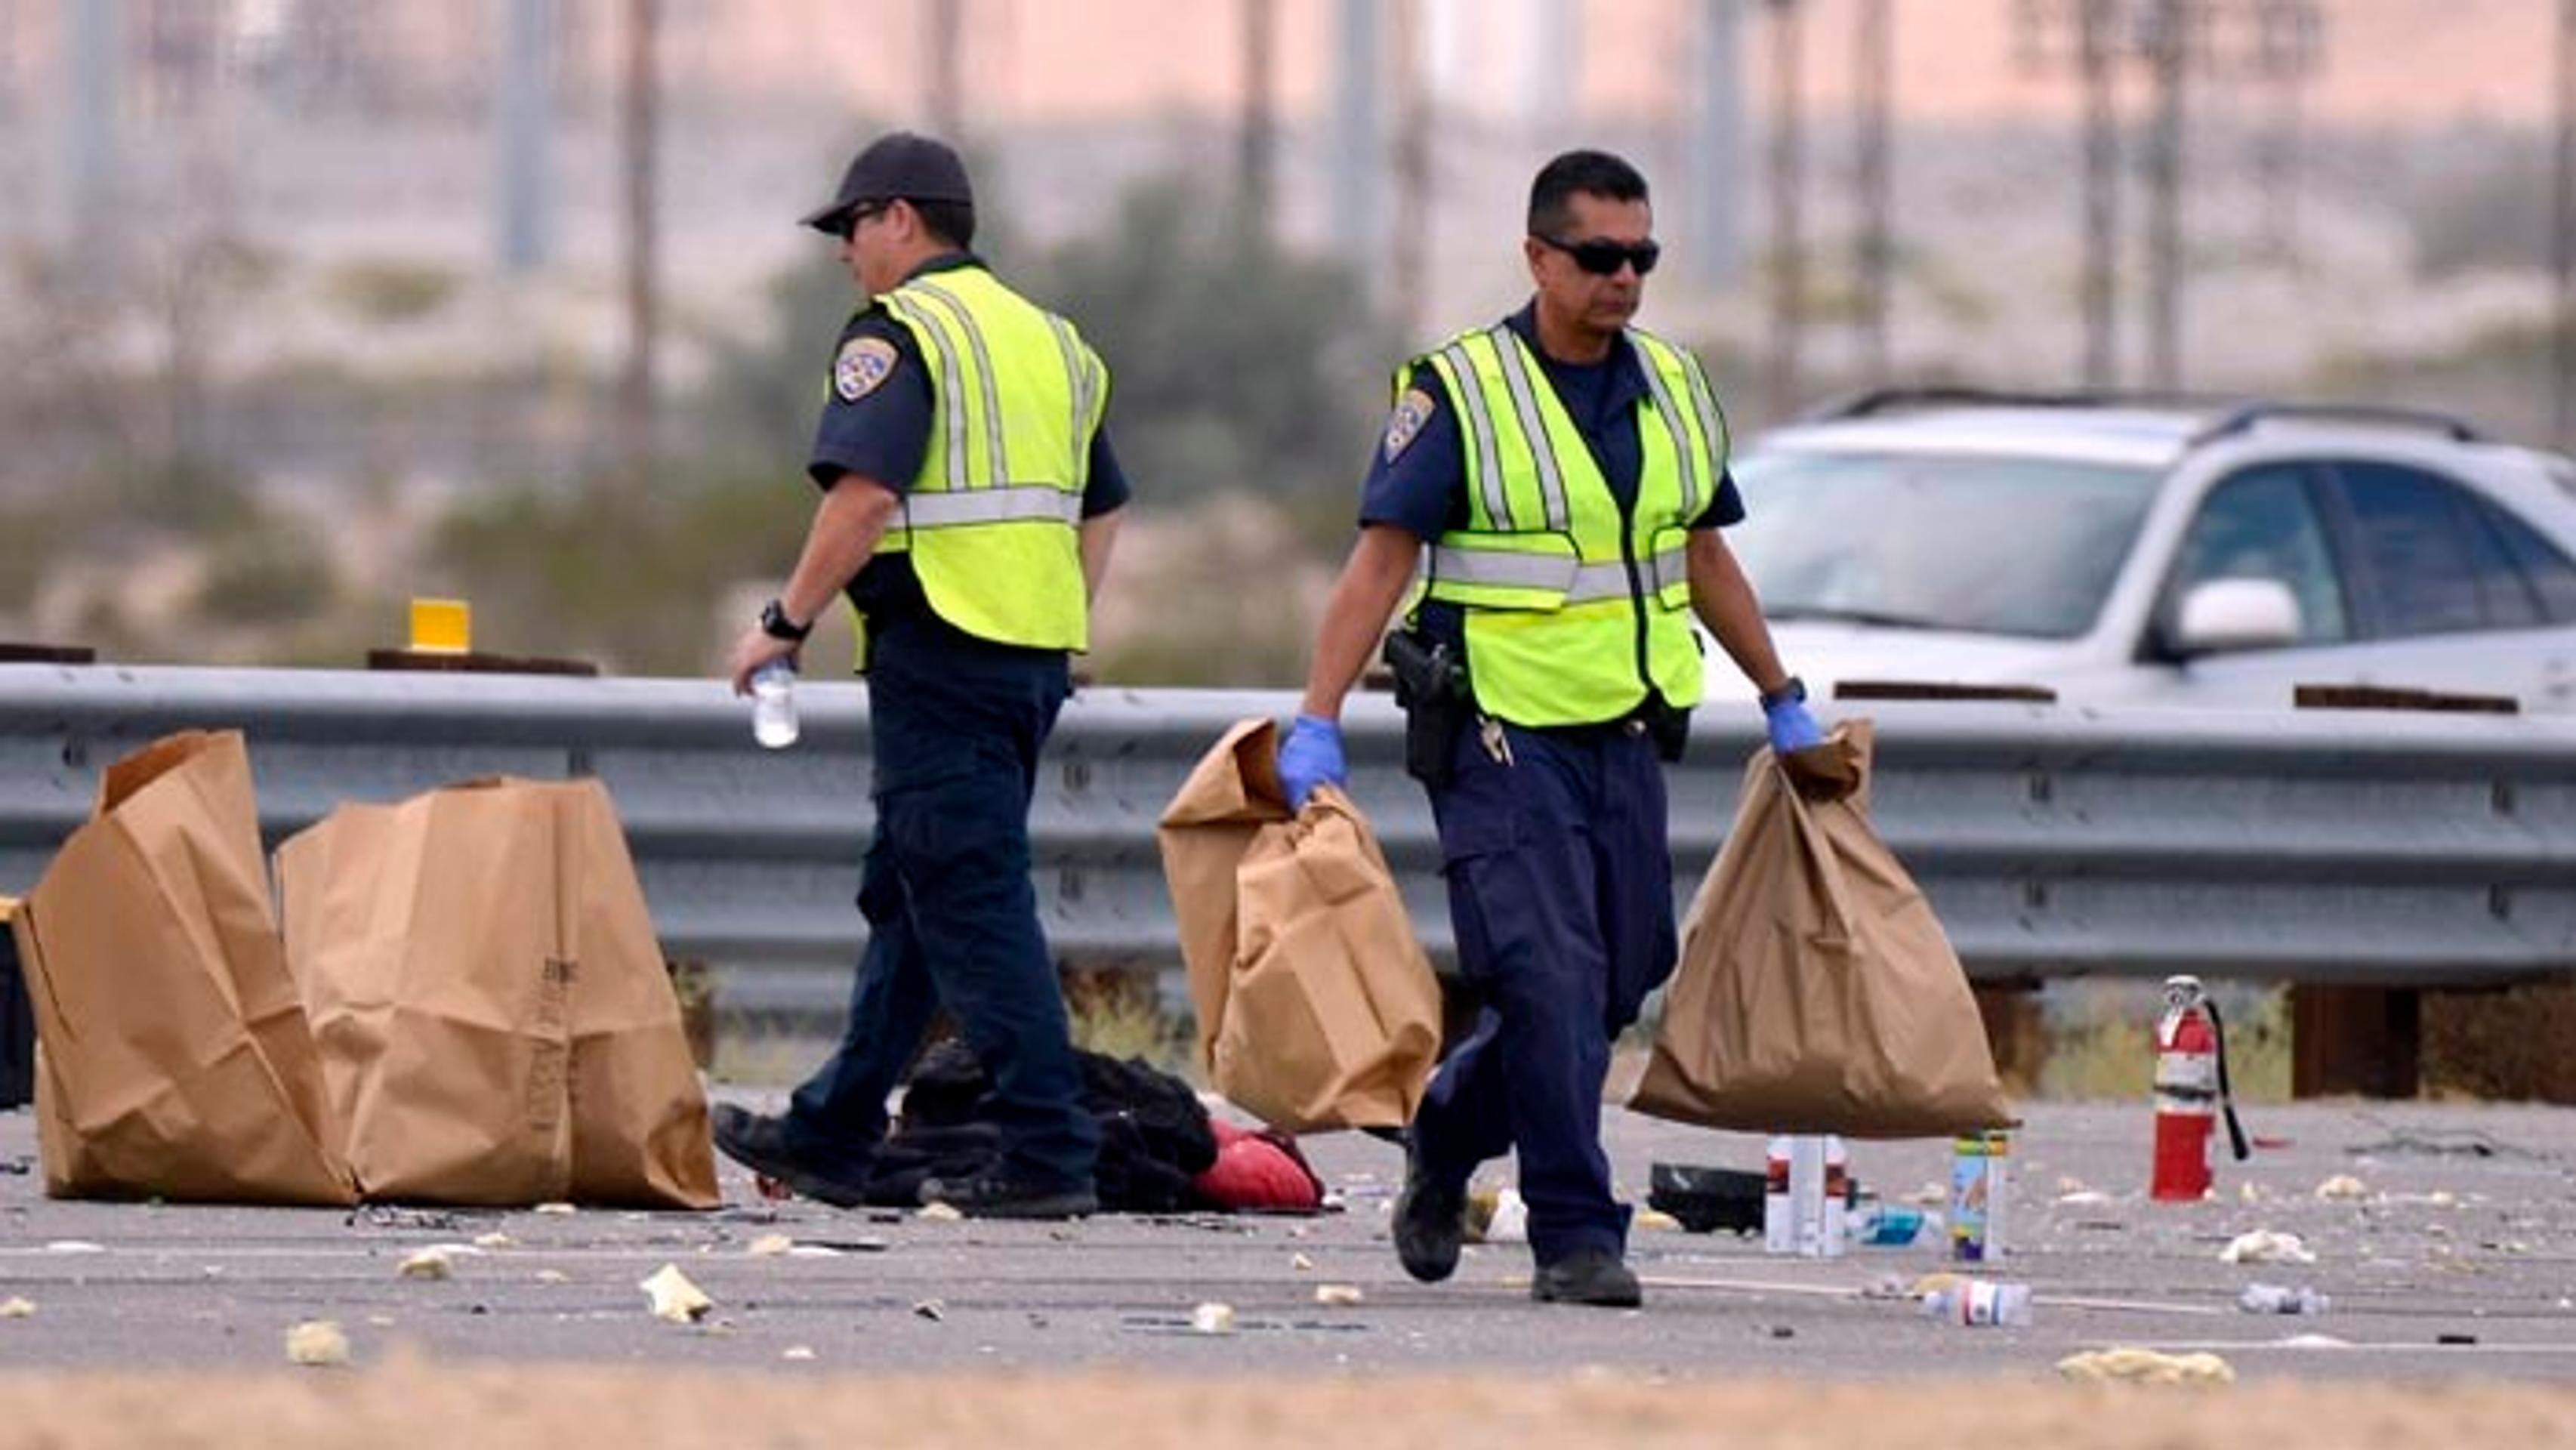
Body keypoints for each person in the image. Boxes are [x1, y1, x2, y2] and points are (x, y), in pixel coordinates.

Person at [1276, 150, 1824, 1306]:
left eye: (1642, 257)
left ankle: (1444, 1130)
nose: (1624, 277)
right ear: (1538, 257)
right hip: (1495, 733)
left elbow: (1703, 553)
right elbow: (1380, 562)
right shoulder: (1459, 392)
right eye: (1599, 257)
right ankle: (1577, 1234)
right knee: (1551, 975)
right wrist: (1315, 719)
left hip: (1621, 731)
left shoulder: (1674, 384)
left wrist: (1780, 693)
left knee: (1622, 974)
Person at [716, 131, 1128, 1220]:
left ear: (900, 218)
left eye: (851, 229)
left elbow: (861, 500)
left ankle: (1048, 1149)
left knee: (973, 901)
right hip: (1030, 660)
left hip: (941, 654)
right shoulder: (1055, 341)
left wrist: (785, 621)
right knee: (915, 893)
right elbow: (1107, 501)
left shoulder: (902, 334)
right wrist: (1064, 624)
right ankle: (834, 1134)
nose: (846, 253)